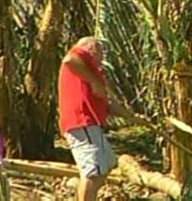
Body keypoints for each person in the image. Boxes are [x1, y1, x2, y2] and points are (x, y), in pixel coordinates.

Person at [58, 36, 142, 201]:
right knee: (92, 170)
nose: (102, 59)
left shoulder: (90, 72)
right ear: (92, 49)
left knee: (107, 162)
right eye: (101, 53)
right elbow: (69, 60)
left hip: (90, 125)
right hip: (81, 122)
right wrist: (94, 80)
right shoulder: (81, 58)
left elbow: (107, 105)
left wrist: (132, 117)